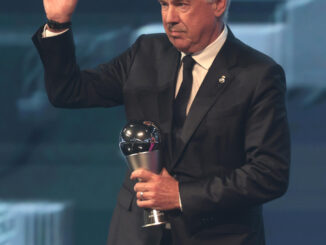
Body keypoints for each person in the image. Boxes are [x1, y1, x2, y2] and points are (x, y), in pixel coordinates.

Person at [32, 0, 291, 244]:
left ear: (218, 4)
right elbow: (69, 91)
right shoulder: (146, 52)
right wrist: (58, 23)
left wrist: (180, 195)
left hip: (216, 236)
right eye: (164, 5)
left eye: (182, 4)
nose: (170, 18)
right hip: (135, 234)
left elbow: (269, 174)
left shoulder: (258, 75)